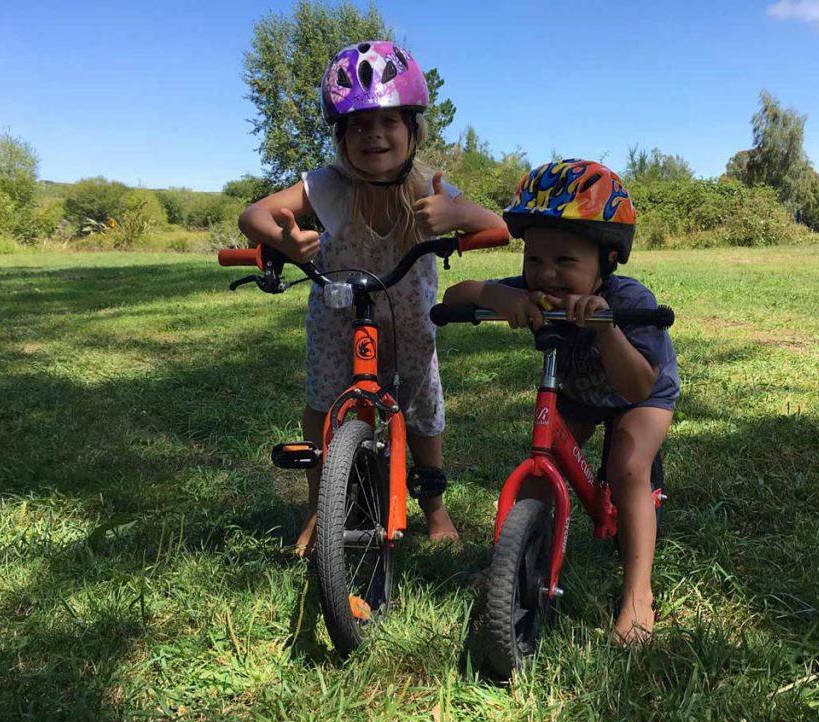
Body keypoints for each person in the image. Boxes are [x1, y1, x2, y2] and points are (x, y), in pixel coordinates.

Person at [238, 41, 504, 550]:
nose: (374, 135)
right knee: (321, 407)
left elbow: (496, 225)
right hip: (338, 323)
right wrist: (285, 242)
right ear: (341, 136)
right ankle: (319, 510)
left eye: (387, 122)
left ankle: (434, 508)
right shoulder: (329, 186)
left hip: (409, 329)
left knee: (423, 415)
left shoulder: (429, 184)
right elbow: (253, 214)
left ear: (412, 128)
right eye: (358, 125)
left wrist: (456, 216)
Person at [442, 159, 679, 644]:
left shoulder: (632, 301)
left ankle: (638, 593)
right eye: (534, 259)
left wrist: (606, 327)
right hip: (577, 391)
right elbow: (455, 293)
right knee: (541, 462)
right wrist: (496, 295)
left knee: (628, 466)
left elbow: (637, 385)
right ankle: (511, 566)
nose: (546, 275)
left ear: (607, 261)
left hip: (640, 392)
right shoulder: (532, 289)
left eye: (566, 262)